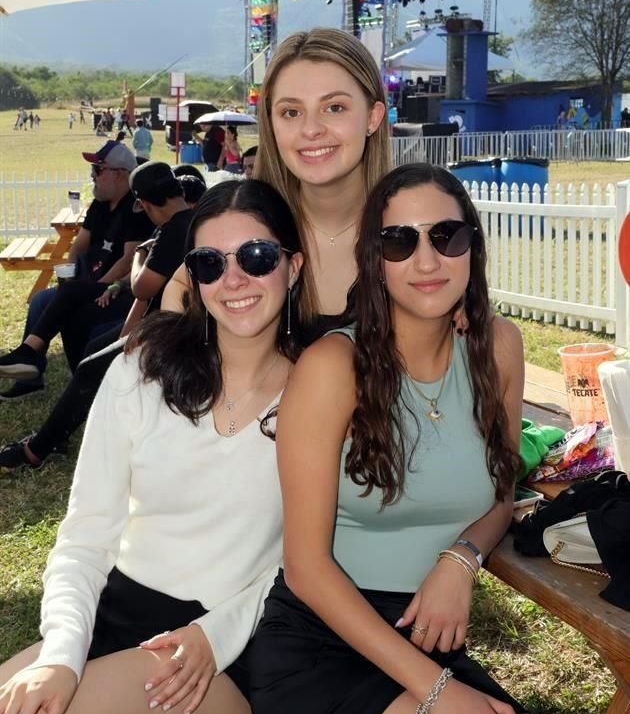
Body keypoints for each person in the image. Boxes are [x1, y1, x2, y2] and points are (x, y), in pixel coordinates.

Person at [249, 163, 587, 714]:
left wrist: (462, 559)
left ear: (471, 247)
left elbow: (500, 492)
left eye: (446, 236)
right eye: (400, 241)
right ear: (374, 260)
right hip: (326, 648)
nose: (426, 260)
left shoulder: (497, 348)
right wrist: (439, 693)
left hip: (422, 643)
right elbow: (305, 570)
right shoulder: (333, 366)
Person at [0, 178, 305, 714]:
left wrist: (217, 634)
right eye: (209, 263)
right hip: (120, 613)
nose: (234, 279)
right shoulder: (142, 371)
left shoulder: (319, 392)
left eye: (258, 257)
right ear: (190, 274)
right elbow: (86, 533)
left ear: (292, 267)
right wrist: (61, 654)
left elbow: (312, 559)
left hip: (235, 645)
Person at [166, 28, 390, 324]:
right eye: (291, 112)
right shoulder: (250, 226)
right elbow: (180, 284)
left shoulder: (416, 232)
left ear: (373, 117)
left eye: (334, 108)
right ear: (270, 123)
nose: (311, 129)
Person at [0, 161, 196, 470]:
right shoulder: (198, 219)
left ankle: (36, 450)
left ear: (144, 204)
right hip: (167, 320)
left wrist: (141, 256)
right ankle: (42, 374)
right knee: (86, 337)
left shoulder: (173, 230)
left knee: (91, 363)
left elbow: (143, 287)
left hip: (171, 328)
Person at [0, 141, 153, 387]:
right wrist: (71, 275)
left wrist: (91, 290)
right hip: (88, 284)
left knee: (73, 306)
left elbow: (129, 259)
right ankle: (29, 377)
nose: (92, 176)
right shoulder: (101, 203)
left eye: (98, 170)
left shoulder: (136, 208)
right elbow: (79, 244)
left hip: (115, 289)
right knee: (41, 299)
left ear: (121, 174)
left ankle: (76, 383)